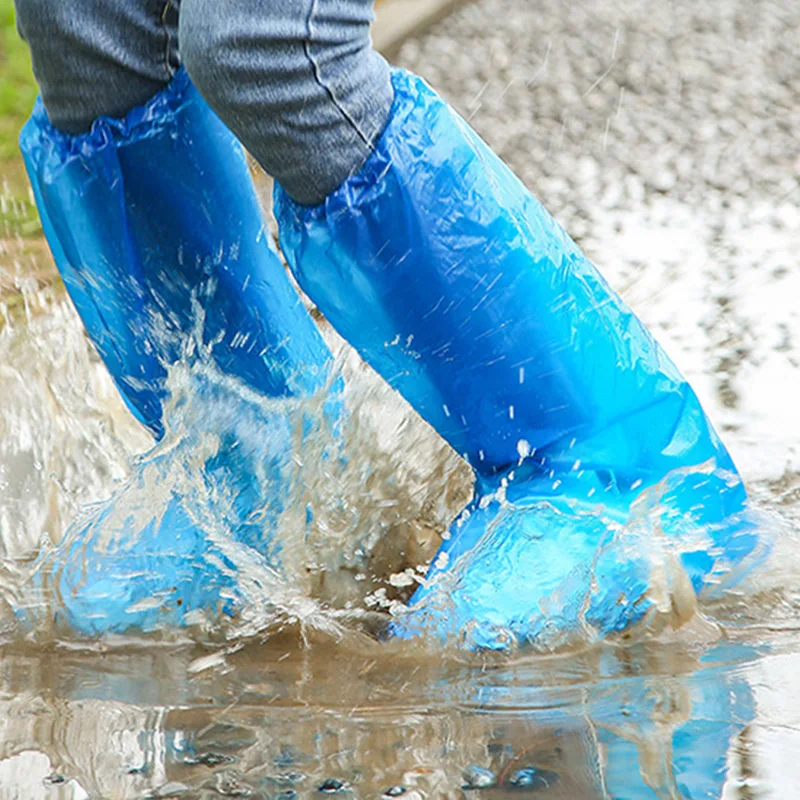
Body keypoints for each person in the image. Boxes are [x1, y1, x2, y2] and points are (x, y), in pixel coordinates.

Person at [14, 0, 765, 647]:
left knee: (266, 47)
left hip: (630, 476)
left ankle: (617, 471)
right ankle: (251, 463)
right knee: (88, 38)